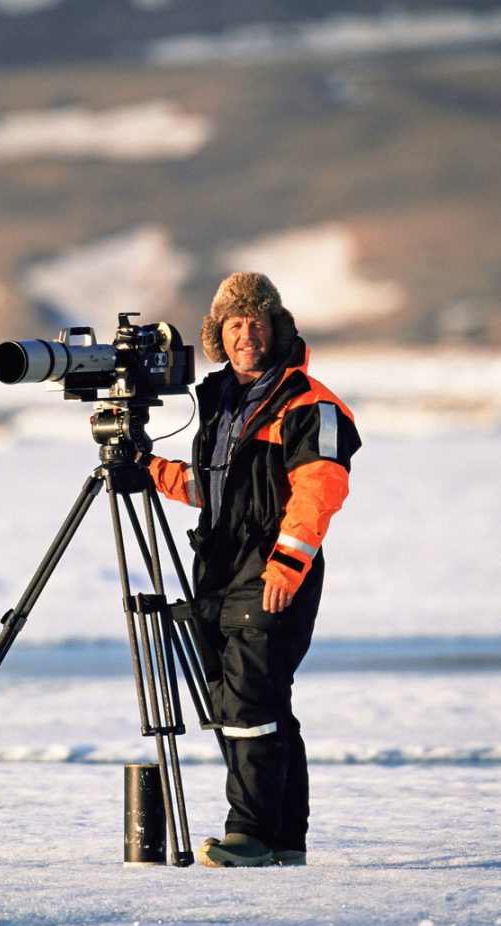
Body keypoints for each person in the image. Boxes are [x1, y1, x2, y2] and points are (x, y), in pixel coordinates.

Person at [146, 272, 362, 867]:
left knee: (248, 707)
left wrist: (286, 566)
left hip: (271, 573)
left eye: (259, 320)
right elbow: (219, 490)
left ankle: (251, 834)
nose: (249, 333)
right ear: (218, 333)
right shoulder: (220, 400)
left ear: (279, 326)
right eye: (236, 323)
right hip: (218, 570)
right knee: (260, 705)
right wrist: (151, 470)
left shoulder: (308, 402)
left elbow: (318, 489)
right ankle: (286, 839)